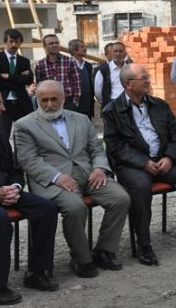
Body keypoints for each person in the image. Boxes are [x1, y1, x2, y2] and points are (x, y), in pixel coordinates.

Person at [13, 80, 130, 278]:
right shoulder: (24, 125)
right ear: (36, 99)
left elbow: (96, 149)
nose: (49, 104)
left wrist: (100, 168)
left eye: (54, 99)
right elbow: (29, 160)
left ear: (63, 98)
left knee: (121, 198)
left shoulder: (81, 119)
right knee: (75, 208)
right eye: (44, 100)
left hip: (89, 174)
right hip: (54, 180)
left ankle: (104, 250)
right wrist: (56, 177)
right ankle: (81, 259)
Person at [103, 64, 176, 266]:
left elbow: (175, 135)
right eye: (144, 78)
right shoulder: (112, 111)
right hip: (133, 166)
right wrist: (143, 162)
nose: (149, 80)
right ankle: (144, 244)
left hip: (163, 160)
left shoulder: (159, 105)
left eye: (147, 76)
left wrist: (169, 158)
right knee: (140, 187)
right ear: (129, 84)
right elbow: (115, 147)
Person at [0, 85, 59, 305]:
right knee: (0, 220)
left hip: (4, 190)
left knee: (46, 208)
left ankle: (36, 273)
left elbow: (14, 168)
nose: (3, 109)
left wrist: (15, 188)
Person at [0, 29, 34, 138]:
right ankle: (6, 156)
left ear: (20, 43)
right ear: (5, 42)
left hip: (21, 103)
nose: (14, 44)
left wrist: (9, 76)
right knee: (2, 136)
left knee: (24, 136)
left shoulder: (24, 61)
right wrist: (19, 80)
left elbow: (28, 80)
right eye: (11, 41)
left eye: (17, 42)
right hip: (3, 104)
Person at [34, 34, 81, 111]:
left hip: (67, 101)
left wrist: (75, 102)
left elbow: (77, 83)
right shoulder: (40, 64)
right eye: (51, 43)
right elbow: (39, 86)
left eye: (57, 42)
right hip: (49, 102)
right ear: (45, 47)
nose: (55, 45)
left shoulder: (70, 61)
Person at [94, 41, 127, 111]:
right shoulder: (102, 70)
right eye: (115, 51)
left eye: (121, 51)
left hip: (128, 104)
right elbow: (98, 92)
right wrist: (106, 102)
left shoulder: (130, 69)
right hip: (111, 106)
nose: (118, 54)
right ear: (111, 53)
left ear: (125, 54)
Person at [68, 39, 94, 119]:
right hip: (73, 107)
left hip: (87, 106)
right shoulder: (67, 65)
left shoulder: (88, 66)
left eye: (85, 46)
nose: (85, 48)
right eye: (82, 47)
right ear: (74, 50)